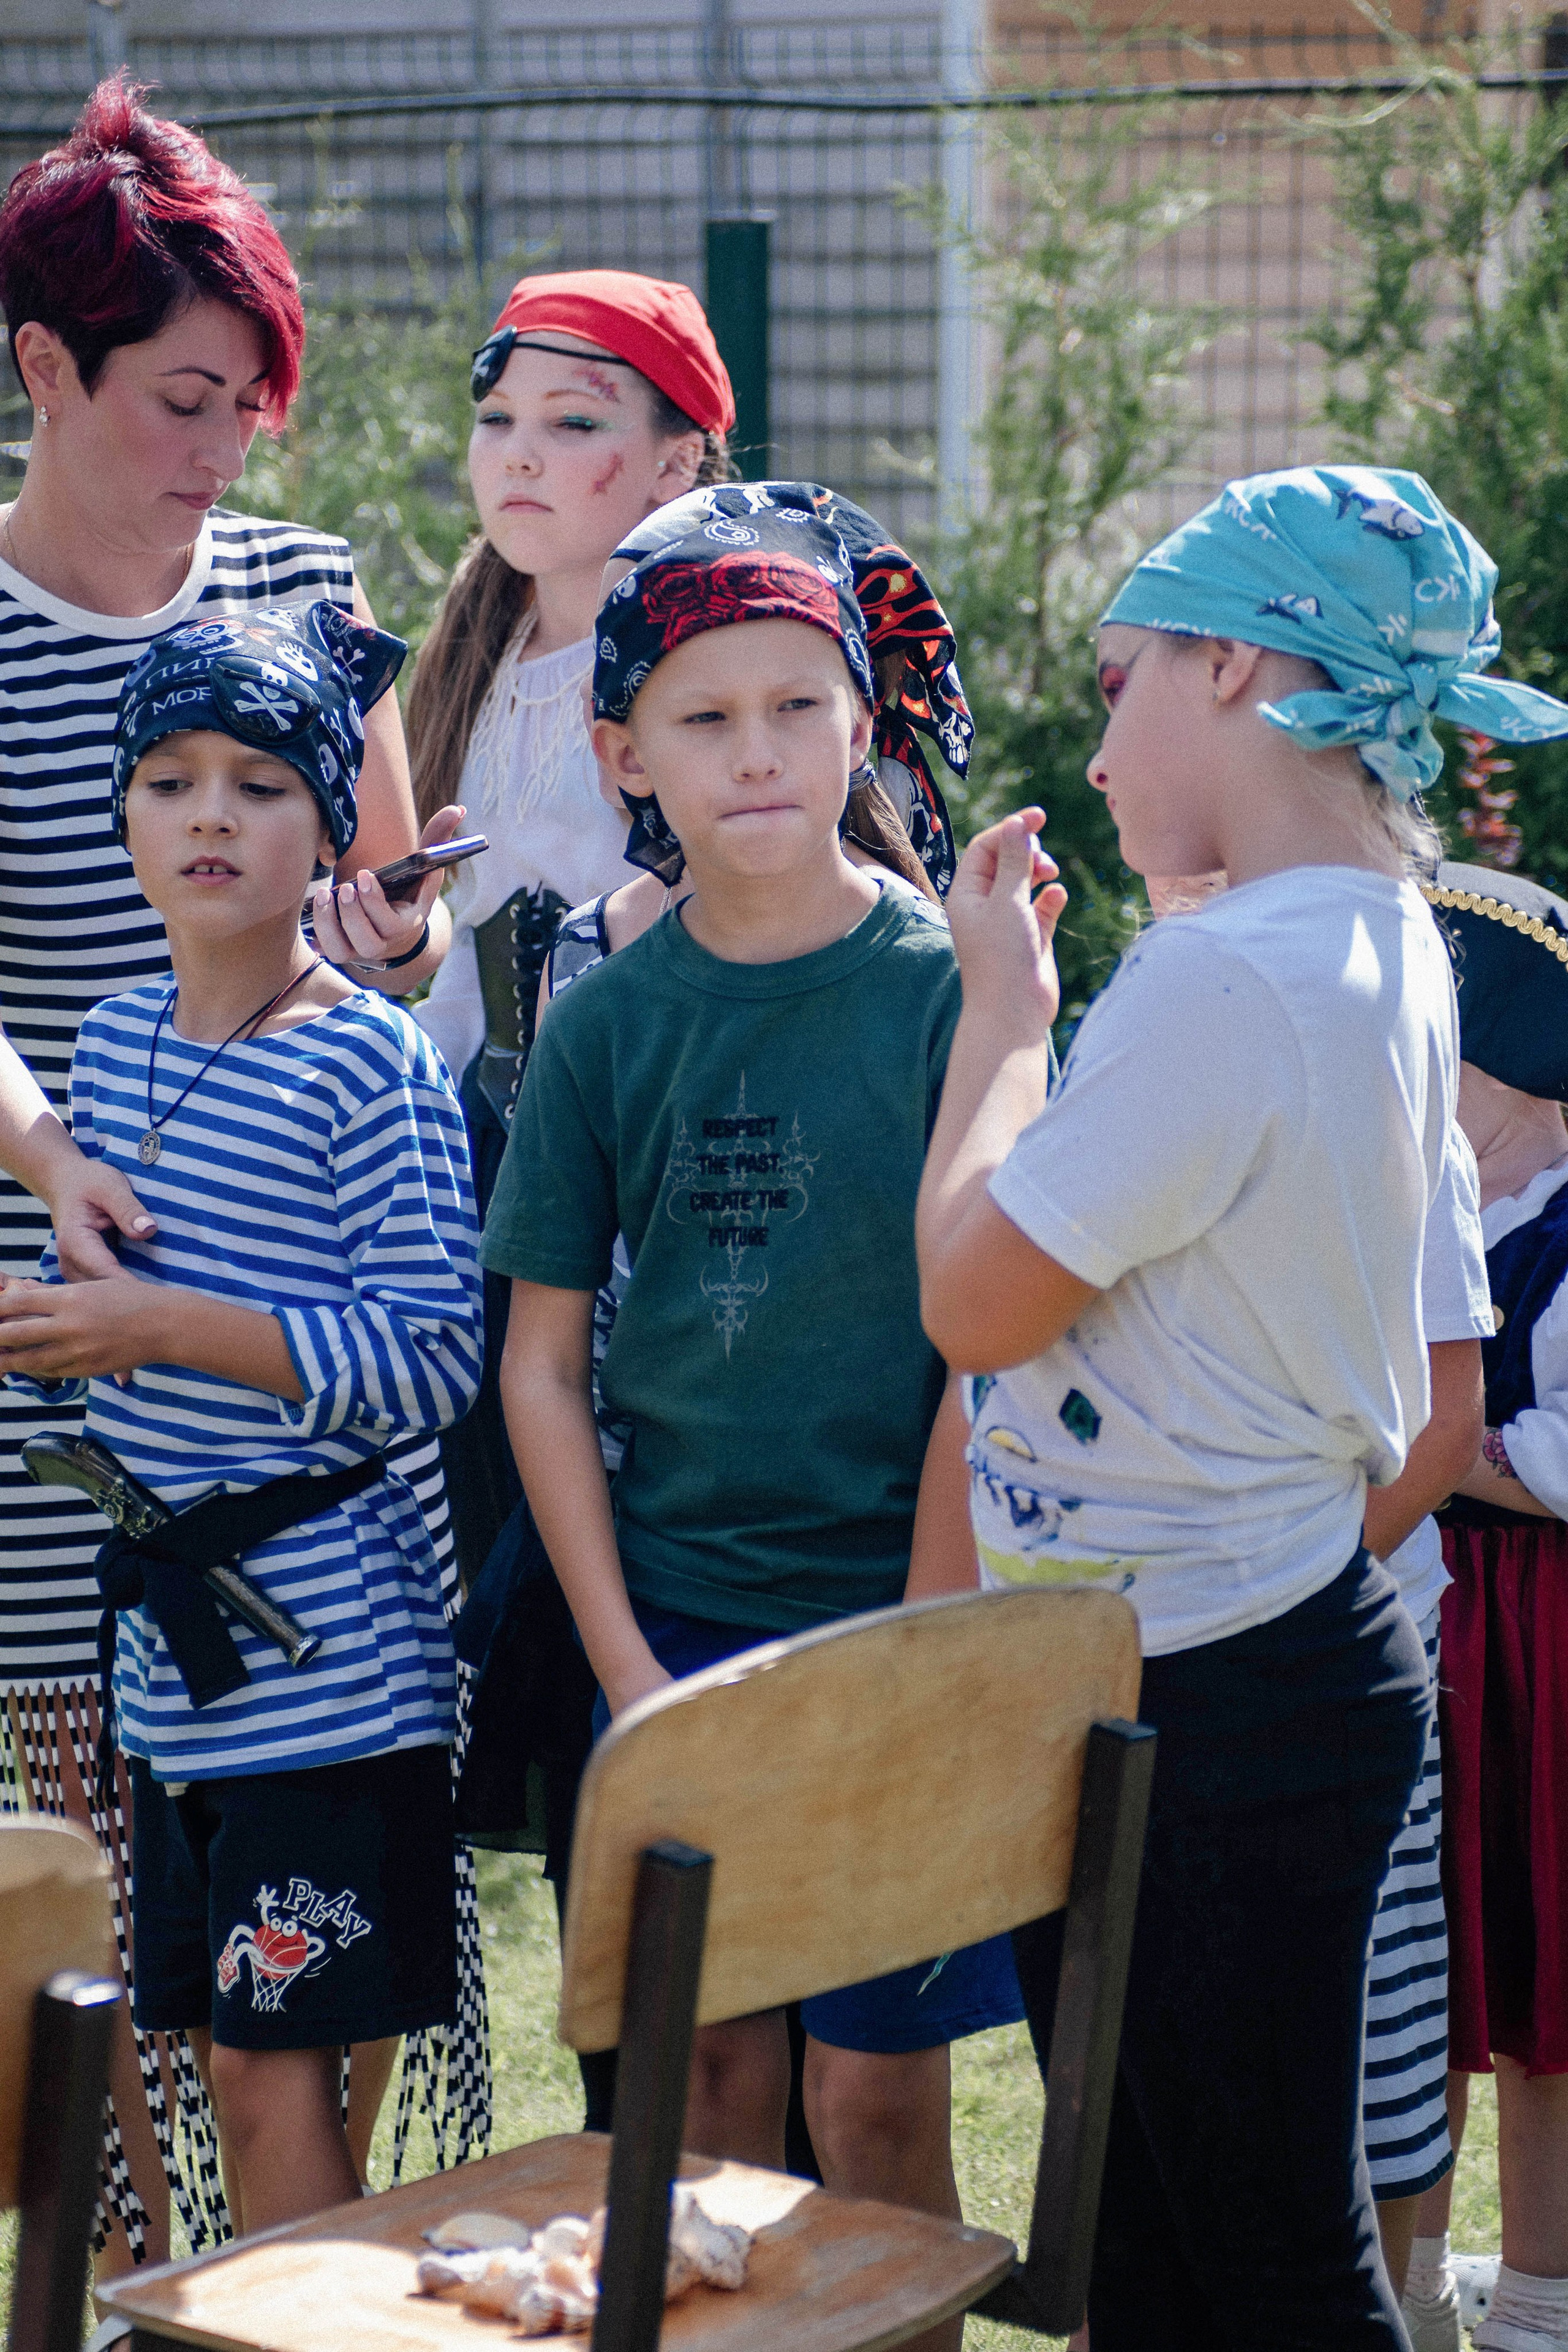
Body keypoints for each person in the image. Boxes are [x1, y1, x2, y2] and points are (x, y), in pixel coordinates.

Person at [915, 464, 1568, 2348]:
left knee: (1258, 2268)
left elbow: (970, 1295)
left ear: (1232, 664)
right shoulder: (1390, 949)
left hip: (1192, 1696)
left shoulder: (1226, 974)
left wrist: (1005, 1022)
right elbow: (1429, 1386)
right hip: (1261, 1655)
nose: (1100, 746)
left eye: (1122, 682)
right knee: (1157, 2260)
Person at [0, 78, 475, 2267]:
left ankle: (285, 2296)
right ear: (45, 366)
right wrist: (45, 1145)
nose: (221, 450)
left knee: (289, 2015)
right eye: (183, 397)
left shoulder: (304, 584)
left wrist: (401, 938)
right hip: (55, 1394)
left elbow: (399, 893)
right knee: (81, 1982)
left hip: (297, 1429)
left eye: (249, 404)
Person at [481, 486, 1019, 2351]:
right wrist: (627, 1664)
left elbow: (990, 1346)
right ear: (625, 756)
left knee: (874, 2102)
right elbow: (540, 1364)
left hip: (903, 1621)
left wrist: (928, 1640)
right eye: (706, 720)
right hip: (679, 1632)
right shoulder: (604, 1024)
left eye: (800, 706)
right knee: (706, 2093)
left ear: (863, 723)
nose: (760, 752)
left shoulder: (958, 990)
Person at [407, 268, 738, 1589]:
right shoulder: (453, 663)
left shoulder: (706, 674)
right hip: (451, 1176)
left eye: (577, 421)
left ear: (677, 463)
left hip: (641, 1181)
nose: (521, 454)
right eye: (498, 420)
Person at [1399, 862, 1568, 2352]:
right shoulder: (1412, 1210)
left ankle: (1540, 2288)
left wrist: (1448, 1454)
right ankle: (1412, 2262)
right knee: (1427, 1960)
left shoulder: (1564, 1230)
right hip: (1434, 1612)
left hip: (1537, 1634)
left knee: (1536, 1950)